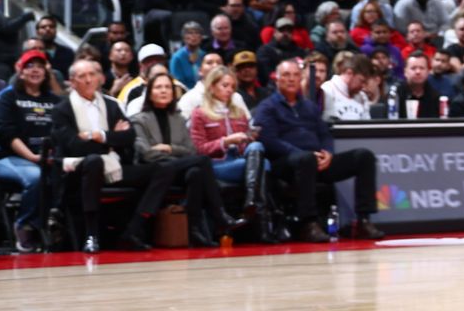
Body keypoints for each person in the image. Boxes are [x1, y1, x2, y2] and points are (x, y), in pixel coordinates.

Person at [252, 58, 382, 242]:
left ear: (301, 78)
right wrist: (300, 152)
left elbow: (324, 134)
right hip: (285, 163)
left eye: (296, 75)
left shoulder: (309, 106)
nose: (291, 79)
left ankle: (363, 220)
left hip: (317, 160)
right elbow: (269, 140)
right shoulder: (267, 107)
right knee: (305, 159)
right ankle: (309, 223)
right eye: (286, 75)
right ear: (277, 79)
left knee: (364, 156)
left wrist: (327, 153)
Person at [130, 69, 237, 247]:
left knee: (195, 172)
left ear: (173, 93)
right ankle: (219, 216)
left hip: (176, 168)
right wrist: (177, 154)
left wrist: (169, 148)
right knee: (202, 161)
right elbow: (147, 154)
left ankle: (194, 231)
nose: (164, 91)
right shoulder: (138, 120)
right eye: (158, 87)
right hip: (153, 169)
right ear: (149, 93)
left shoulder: (178, 118)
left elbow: (191, 150)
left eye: (167, 87)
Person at [52, 59, 143, 252]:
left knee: (160, 170)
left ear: (100, 78)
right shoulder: (62, 109)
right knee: (93, 162)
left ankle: (133, 230)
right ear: (72, 81)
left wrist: (98, 136)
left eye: (92, 75)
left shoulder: (111, 105)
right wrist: (111, 138)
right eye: (82, 76)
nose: (88, 80)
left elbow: (129, 136)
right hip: (75, 170)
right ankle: (91, 235)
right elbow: (73, 146)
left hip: (112, 165)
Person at [189, 65, 273, 238]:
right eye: (224, 86)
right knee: (263, 165)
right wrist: (226, 142)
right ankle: (262, 219)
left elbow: (246, 148)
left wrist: (249, 138)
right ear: (212, 86)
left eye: (232, 87)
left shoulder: (239, 112)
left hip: (241, 161)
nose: (229, 91)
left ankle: (252, 201)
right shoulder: (200, 113)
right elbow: (198, 148)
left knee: (257, 148)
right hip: (218, 163)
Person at [0, 50, 58, 252]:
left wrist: (51, 156)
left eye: (39, 66)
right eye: (30, 66)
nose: (35, 70)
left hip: (47, 157)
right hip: (8, 157)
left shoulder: (55, 100)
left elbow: (62, 132)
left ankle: (55, 222)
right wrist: (33, 157)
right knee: (36, 177)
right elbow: (4, 132)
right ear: (20, 71)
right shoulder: (8, 97)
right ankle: (25, 224)